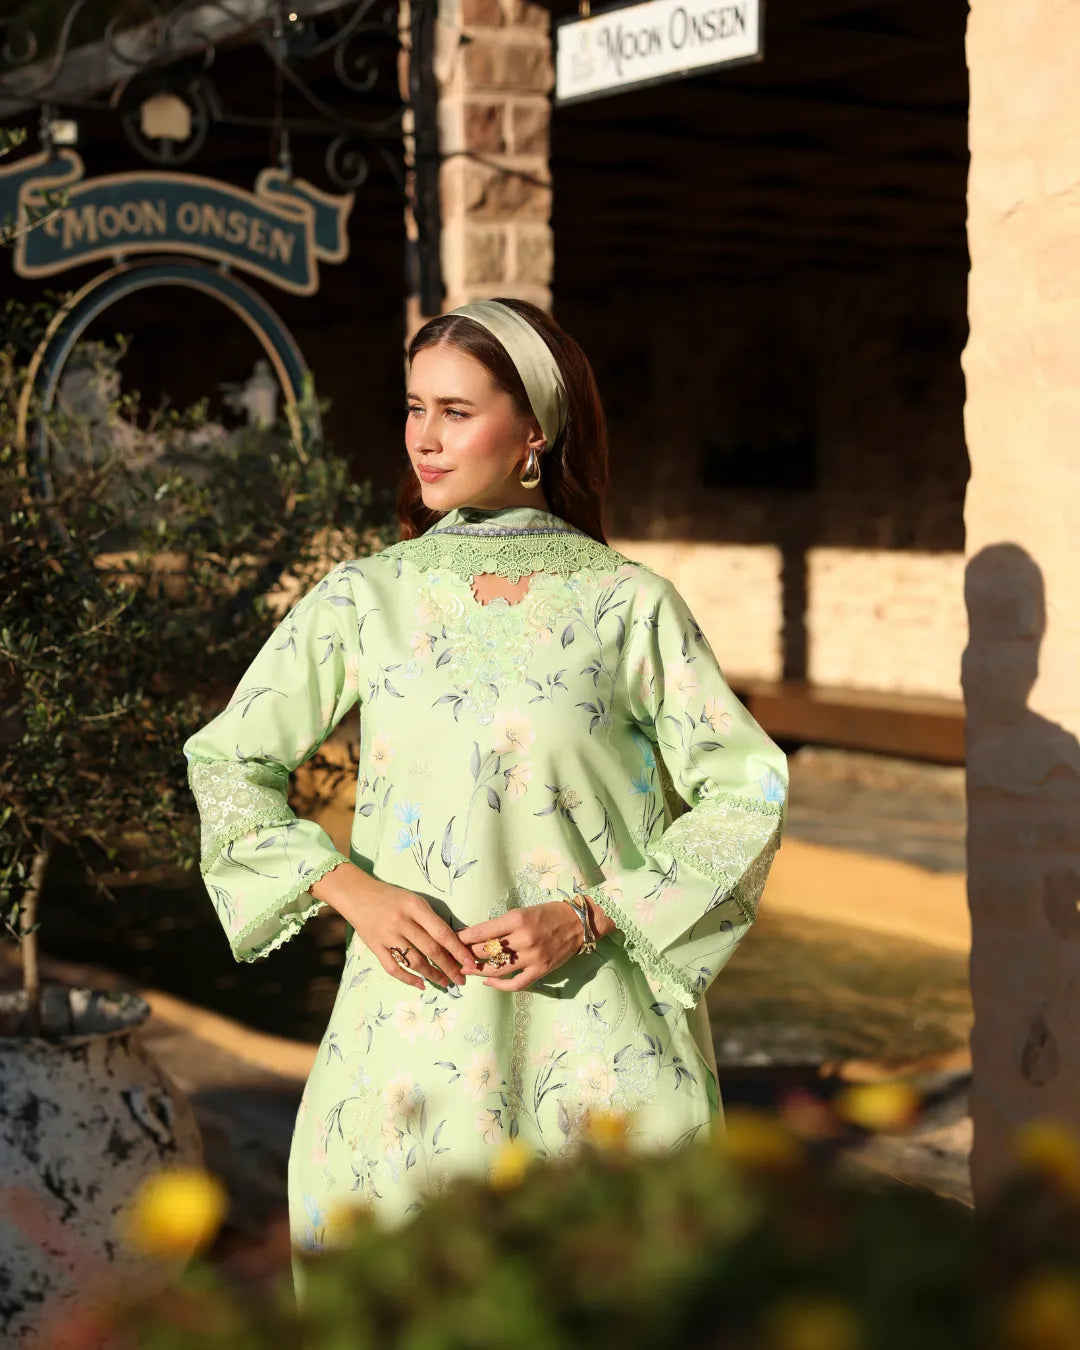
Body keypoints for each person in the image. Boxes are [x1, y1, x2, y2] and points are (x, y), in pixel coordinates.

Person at [182, 298, 788, 1262]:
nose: (423, 439)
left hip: (602, 1054)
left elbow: (747, 792)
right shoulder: (364, 599)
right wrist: (348, 889)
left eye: (456, 412)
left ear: (534, 431)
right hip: (404, 1056)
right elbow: (227, 762)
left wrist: (591, 915)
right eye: (414, 408)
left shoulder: (629, 608)